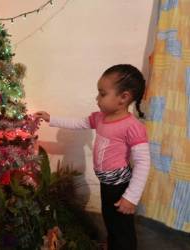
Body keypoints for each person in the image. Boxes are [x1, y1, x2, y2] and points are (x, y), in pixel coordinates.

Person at [34, 64, 150, 250]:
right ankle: (113, 244)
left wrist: (131, 197)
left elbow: (143, 163)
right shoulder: (101, 117)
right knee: (110, 219)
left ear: (124, 97)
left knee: (122, 227)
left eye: (102, 94)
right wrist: (51, 118)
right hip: (107, 183)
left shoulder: (132, 126)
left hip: (120, 186)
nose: (97, 98)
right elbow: (79, 123)